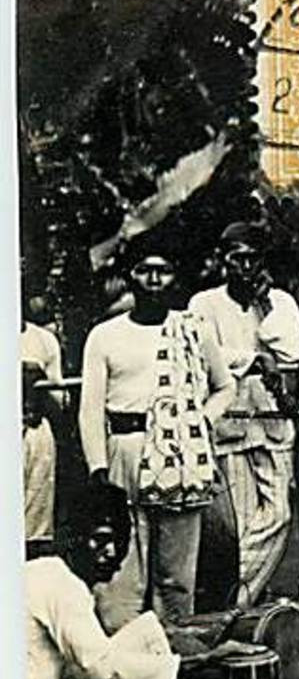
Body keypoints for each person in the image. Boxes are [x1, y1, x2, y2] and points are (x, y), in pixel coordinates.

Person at [27, 481, 258, 679]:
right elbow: (105, 671)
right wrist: (206, 660)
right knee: (137, 670)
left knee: (147, 634)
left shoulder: (46, 572)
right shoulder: (58, 582)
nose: (111, 553)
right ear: (73, 538)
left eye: (119, 544)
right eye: (100, 540)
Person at [80, 254, 236, 629]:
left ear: (174, 279)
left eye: (163, 270)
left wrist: (195, 423)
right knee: (123, 571)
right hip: (125, 452)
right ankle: (124, 661)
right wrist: (99, 470)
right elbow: (90, 410)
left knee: (175, 578)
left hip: (180, 460)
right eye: (143, 270)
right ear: (130, 278)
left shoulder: (193, 329)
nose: (153, 279)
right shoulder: (105, 335)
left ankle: (176, 664)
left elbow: (225, 386)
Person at [189, 222, 299, 606]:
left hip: (273, 422)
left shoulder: (281, 303)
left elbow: (295, 350)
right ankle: (245, 603)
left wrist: (265, 306)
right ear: (223, 261)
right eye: (236, 259)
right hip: (232, 425)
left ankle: (234, 598)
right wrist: (255, 359)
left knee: (278, 516)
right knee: (239, 523)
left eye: (252, 260)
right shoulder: (204, 304)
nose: (244, 268)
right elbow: (207, 354)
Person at [21, 296, 63, 555]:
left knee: (34, 526)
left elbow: (60, 403)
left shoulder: (44, 340)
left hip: (34, 434)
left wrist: (38, 384)